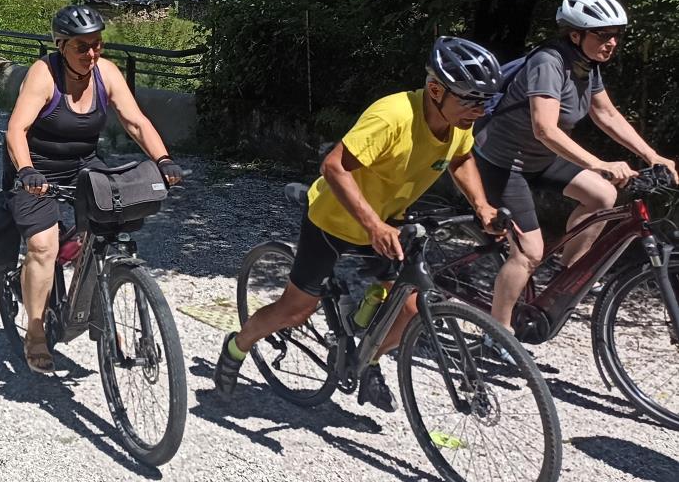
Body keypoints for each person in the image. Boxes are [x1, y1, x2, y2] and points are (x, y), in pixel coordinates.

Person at [214, 37, 506, 411]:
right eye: (471, 101)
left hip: (389, 221)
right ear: (436, 90)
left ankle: (366, 361)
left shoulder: (458, 120)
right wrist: (373, 226)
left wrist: (482, 206)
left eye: (486, 102)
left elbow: (461, 158)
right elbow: (333, 166)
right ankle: (237, 346)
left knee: (409, 310)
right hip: (334, 222)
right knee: (295, 310)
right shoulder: (392, 117)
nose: (479, 110)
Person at [474, 0, 676, 335]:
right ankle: (499, 333)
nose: (612, 42)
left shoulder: (586, 65)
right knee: (529, 253)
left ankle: (563, 280)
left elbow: (606, 113)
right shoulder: (549, 63)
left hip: (539, 159)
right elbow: (544, 129)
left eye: (617, 35)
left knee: (602, 196)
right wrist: (598, 163)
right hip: (505, 163)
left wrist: (651, 155)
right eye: (604, 34)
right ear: (575, 35)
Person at [3, 4, 185, 373]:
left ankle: (101, 315)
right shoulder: (44, 75)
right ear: (61, 46)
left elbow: (135, 122)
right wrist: (26, 170)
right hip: (36, 169)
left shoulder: (106, 73)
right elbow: (16, 130)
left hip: (83, 165)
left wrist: (163, 159)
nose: (92, 53)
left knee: (109, 228)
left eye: (98, 44)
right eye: (82, 47)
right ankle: (35, 332)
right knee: (44, 245)